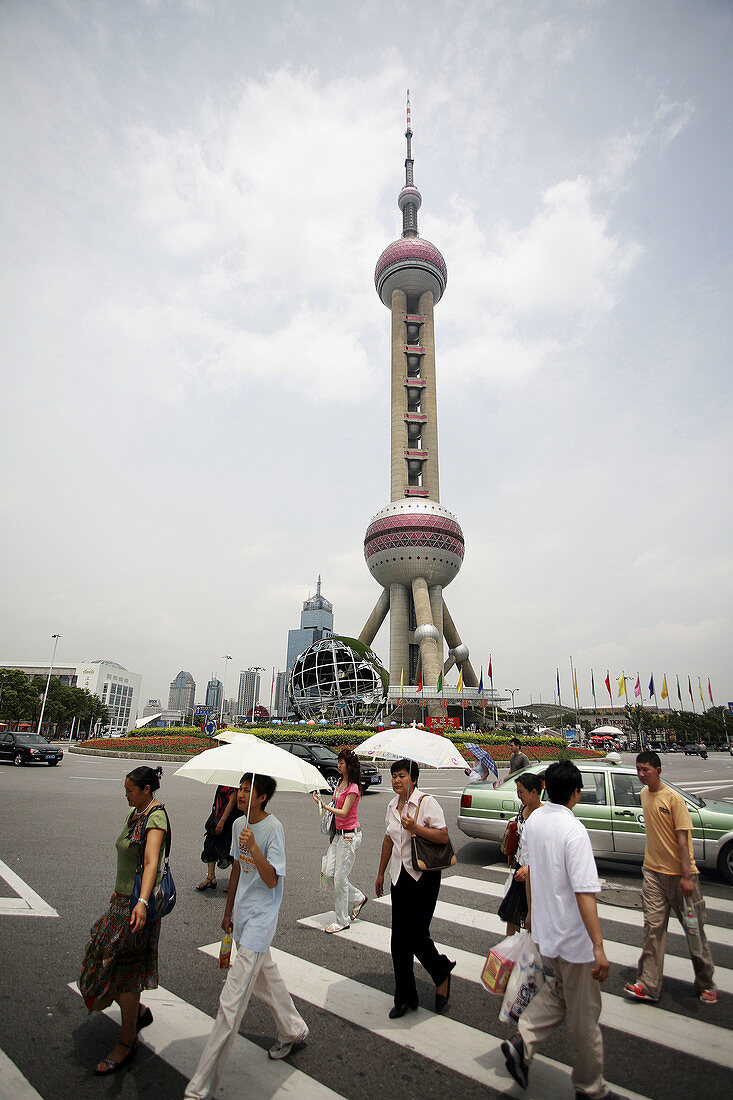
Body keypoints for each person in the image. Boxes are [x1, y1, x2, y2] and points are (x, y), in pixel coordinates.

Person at [501, 760, 620, 1100]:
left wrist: (531, 917)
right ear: (576, 793)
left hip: (546, 932)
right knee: (584, 1015)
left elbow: (527, 870)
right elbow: (584, 892)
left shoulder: (535, 821)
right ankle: (591, 1087)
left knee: (558, 994)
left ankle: (523, 1040)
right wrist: (598, 945)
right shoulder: (574, 830)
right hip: (572, 937)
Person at [185, 773, 308, 1100]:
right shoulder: (240, 825)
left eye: (247, 789)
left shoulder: (273, 829)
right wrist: (227, 913)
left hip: (261, 920)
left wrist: (254, 846)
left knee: (231, 1002)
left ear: (263, 797)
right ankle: (293, 1028)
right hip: (241, 917)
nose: (240, 794)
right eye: (240, 788)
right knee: (267, 979)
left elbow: (271, 880)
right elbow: (237, 869)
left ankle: (200, 1087)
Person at [79, 765, 168, 1076]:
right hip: (121, 903)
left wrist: (141, 902)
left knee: (126, 974)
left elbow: (150, 861)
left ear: (146, 790)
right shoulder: (137, 813)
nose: (126, 794)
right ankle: (138, 1012)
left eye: (131, 790)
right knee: (102, 963)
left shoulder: (155, 817)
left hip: (135, 909)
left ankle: (127, 1041)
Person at [623, 750, 717, 1005]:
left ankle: (706, 982)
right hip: (652, 872)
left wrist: (686, 876)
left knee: (694, 931)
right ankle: (649, 985)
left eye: (646, 770)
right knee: (652, 928)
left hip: (681, 876)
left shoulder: (674, 799)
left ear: (658, 771)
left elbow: (683, 841)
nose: (641, 774)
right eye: (639, 769)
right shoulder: (644, 795)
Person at [375, 759, 456, 1019]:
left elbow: (443, 836)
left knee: (417, 936)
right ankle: (405, 997)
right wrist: (380, 872)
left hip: (423, 877)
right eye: (394, 776)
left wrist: (415, 828)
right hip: (399, 877)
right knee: (398, 941)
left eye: (401, 776)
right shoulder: (392, 806)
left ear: (414, 779)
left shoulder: (427, 803)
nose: (396, 780)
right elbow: (389, 840)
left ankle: (440, 970)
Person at [312, 748, 368, 933]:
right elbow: (336, 808)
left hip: (350, 836)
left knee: (340, 878)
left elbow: (343, 812)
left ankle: (342, 920)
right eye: (338, 762)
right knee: (329, 873)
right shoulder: (340, 783)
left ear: (349, 765)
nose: (338, 765)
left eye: (341, 763)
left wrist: (324, 806)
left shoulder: (353, 788)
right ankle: (358, 897)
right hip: (338, 835)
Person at [498, 772, 543, 935]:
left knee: (531, 917)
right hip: (519, 867)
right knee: (512, 914)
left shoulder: (543, 815)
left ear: (534, 792)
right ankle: (510, 950)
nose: (519, 796)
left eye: (521, 792)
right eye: (517, 792)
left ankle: (527, 953)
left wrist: (530, 868)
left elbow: (544, 851)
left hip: (533, 873)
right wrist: (511, 855)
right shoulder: (522, 808)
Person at [196, 785, 237, 891]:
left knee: (229, 850)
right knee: (210, 844)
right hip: (217, 816)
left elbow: (232, 800)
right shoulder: (223, 780)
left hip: (227, 820)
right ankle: (210, 877)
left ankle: (235, 882)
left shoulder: (232, 782)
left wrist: (222, 821)